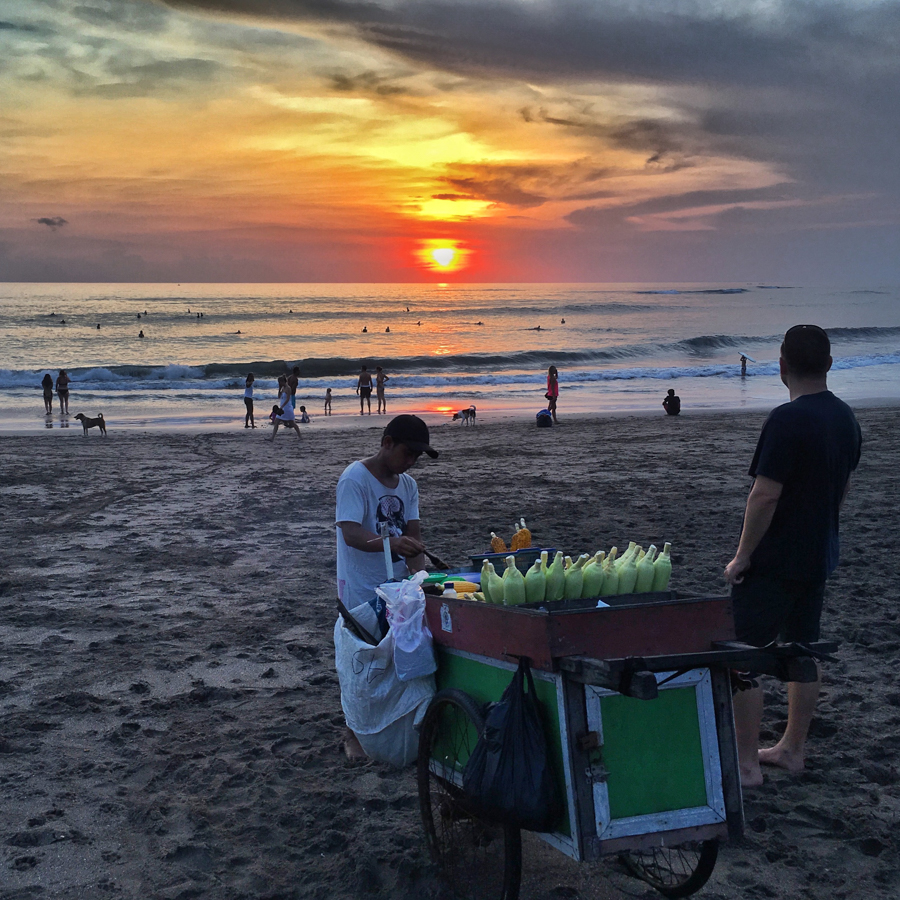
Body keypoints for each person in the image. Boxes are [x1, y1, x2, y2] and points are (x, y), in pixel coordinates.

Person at [724, 325, 862, 788]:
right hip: (817, 555)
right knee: (802, 650)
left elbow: (764, 496)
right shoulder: (845, 418)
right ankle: (792, 750)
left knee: (743, 655)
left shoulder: (786, 420)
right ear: (829, 363)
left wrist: (743, 556)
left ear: (782, 366)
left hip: (777, 560)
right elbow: (840, 487)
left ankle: (746, 764)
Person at [335, 414, 438, 760]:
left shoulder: (408, 486)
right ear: (387, 443)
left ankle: (388, 725)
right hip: (362, 587)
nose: (411, 462)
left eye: (417, 457)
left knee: (395, 656)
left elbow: (415, 536)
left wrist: (417, 579)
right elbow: (349, 532)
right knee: (362, 658)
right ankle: (351, 732)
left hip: (397, 586)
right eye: (408, 453)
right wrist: (390, 544)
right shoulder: (355, 479)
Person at [270, 376, 302, 442]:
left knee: (292, 423)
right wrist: (279, 389)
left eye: (280, 382)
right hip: (282, 407)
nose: (279, 383)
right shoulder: (282, 388)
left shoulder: (288, 388)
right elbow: (279, 397)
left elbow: (287, 399)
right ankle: (272, 438)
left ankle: (300, 436)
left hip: (287, 408)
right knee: (277, 421)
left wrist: (282, 407)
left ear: (283, 381)